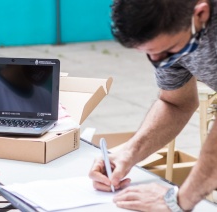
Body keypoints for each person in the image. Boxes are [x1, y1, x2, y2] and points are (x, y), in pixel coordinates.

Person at [89, 0, 217, 211]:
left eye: (167, 50)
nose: (158, 60)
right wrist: (128, 153)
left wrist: (177, 201)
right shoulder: (175, 32)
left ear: (200, 14)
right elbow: (175, 103)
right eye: (149, 53)